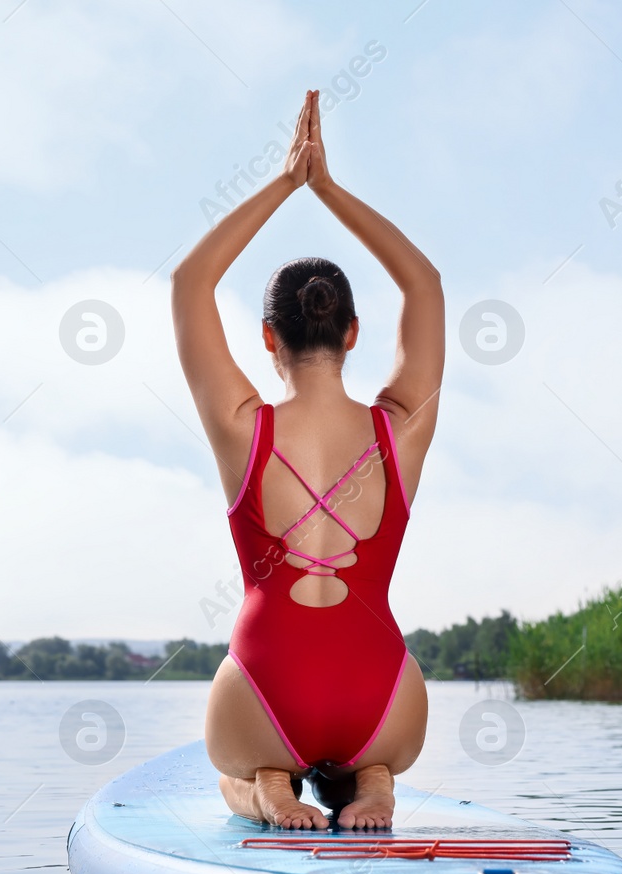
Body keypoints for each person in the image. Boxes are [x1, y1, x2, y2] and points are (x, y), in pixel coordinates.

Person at [170, 90, 444, 831]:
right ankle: (375, 780)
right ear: (354, 332)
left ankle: (265, 786)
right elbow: (425, 283)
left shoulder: (241, 428)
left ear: (267, 339)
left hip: (267, 693)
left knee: (228, 769)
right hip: (382, 697)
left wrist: (287, 182)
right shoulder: (401, 430)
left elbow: (188, 282)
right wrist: (330, 188)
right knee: (369, 758)